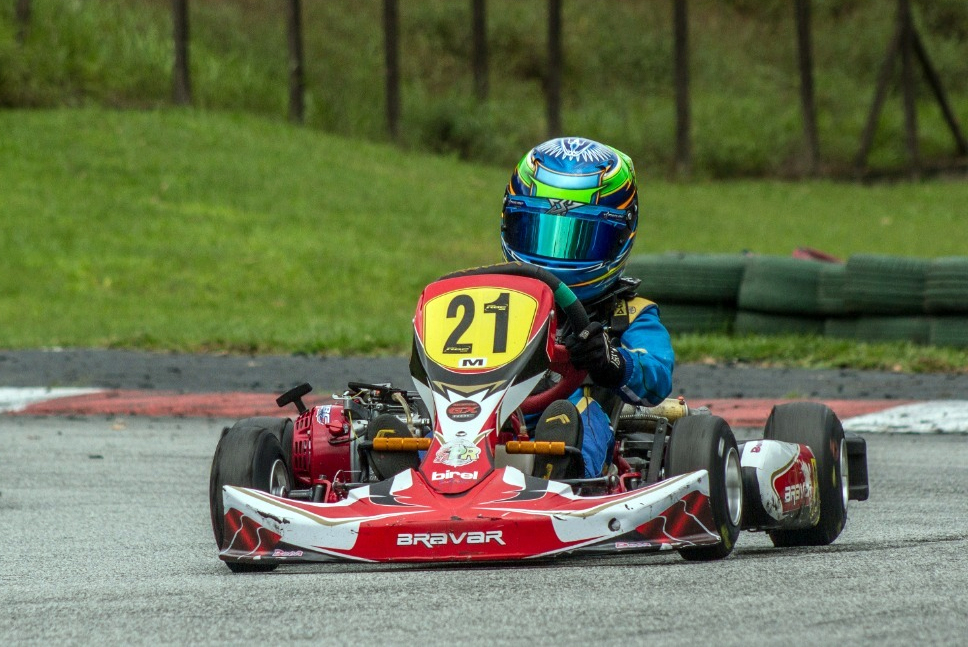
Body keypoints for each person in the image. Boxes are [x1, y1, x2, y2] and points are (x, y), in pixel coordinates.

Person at [500, 137, 675, 480]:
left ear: (619, 237)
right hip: (492, 420)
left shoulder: (629, 314)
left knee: (577, 413)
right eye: (539, 232)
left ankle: (566, 471)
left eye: (579, 238)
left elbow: (656, 376)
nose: (557, 256)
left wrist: (611, 359)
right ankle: (413, 464)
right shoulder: (493, 301)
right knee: (453, 413)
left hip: (575, 424)